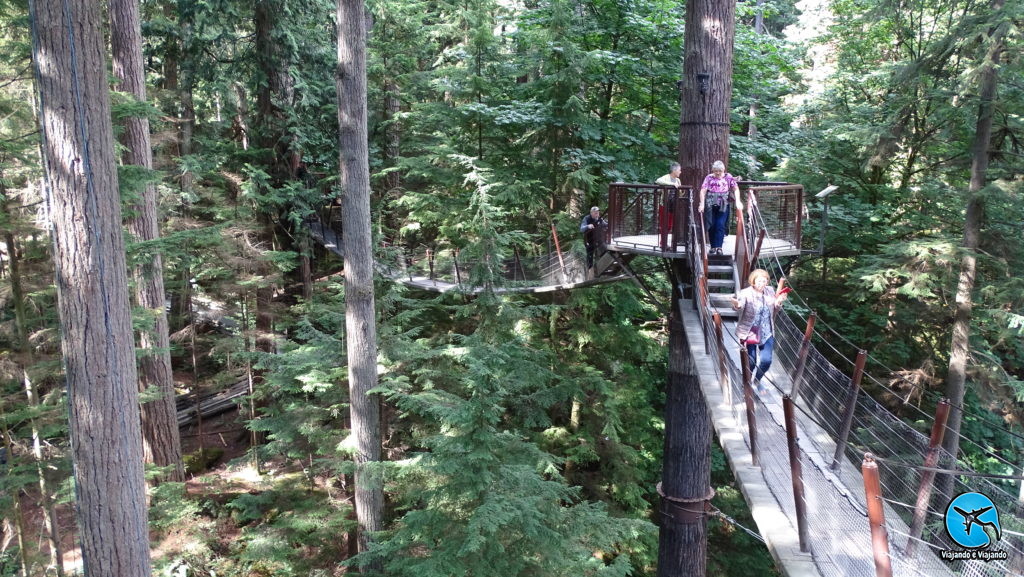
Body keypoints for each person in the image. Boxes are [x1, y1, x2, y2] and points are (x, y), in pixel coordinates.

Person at [731, 269, 788, 395]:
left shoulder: (770, 291)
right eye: (759, 281)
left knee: (766, 360)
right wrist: (737, 305)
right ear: (753, 281)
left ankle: (757, 380)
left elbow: (775, 309)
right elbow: (740, 305)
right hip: (750, 331)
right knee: (751, 362)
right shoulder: (745, 293)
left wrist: (779, 302)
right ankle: (746, 383)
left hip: (766, 330)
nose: (762, 283)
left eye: (764, 280)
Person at [698, 160, 743, 255]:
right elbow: (703, 191)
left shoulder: (728, 177)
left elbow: (736, 189)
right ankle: (713, 247)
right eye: (715, 171)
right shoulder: (709, 177)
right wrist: (701, 204)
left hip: (723, 204)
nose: (717, 173)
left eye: (720, 171)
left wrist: (738, 201)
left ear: (723, 170)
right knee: (712, 225)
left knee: (720, 224)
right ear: (713, 170)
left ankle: (719, 247)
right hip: (710, 204)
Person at [655, 162, 682, 241]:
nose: (680, 172)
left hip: (673, 205)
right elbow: (658, 181)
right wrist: (671, 184)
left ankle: (666, 243)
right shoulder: (666, 177)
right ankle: (663, 244)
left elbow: (679, 191)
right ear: (674, 170)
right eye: (679, 170)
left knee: (669, 226)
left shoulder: (678, 180)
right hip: (664, 205)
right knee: (664, 225)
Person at [580, 206, 607, 272]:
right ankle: (590, 270)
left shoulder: (600, 219)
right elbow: (581, 229)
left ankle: (602, 267)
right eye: (595, 213)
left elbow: (605, 224)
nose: (597, 214)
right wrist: (588, 226)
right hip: (589, 240)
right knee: (590, 255)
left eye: (598, 212)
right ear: (591, 213)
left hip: (598, 239)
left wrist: (609, 225)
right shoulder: (587, 218)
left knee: (604, 250)